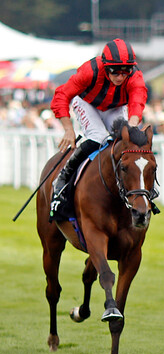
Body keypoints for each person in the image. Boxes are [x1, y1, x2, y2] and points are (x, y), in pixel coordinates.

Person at [49, 38, 148, 219]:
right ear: (105, 66)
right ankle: (62, 179)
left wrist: (131, 129)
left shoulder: (135, 76)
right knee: (99, 137)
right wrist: (68, 129)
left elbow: (137, 101)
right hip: (87, 103)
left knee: (128, 144)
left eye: (125, 71)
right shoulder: (90, 71)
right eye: (115, 71)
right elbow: (62, 95)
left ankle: (140, 191)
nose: (120, 77)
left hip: (115, 107)